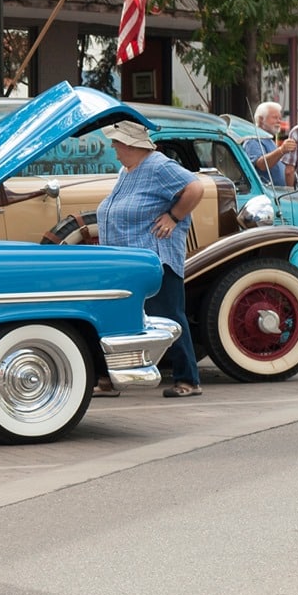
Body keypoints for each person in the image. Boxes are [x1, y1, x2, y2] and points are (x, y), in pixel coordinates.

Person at [92, 119, 204, 398]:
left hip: (154, 258)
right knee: (116, 317)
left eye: (116, 143)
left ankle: (188, 379)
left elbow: (195, 188)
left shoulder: (158, 165)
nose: (113, 148)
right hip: (127, 261)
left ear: (131, 144)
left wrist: (173, 217)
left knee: (167, 316)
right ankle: (109, 378)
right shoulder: (127, 169)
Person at [245, 102, 294, 187]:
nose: (279, 121)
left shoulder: (268, 140)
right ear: (261, 119)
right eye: (275, 117)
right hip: (267, 195)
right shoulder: (253, 140)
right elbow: (261, 164)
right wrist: (281, 150)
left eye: (280, 118)